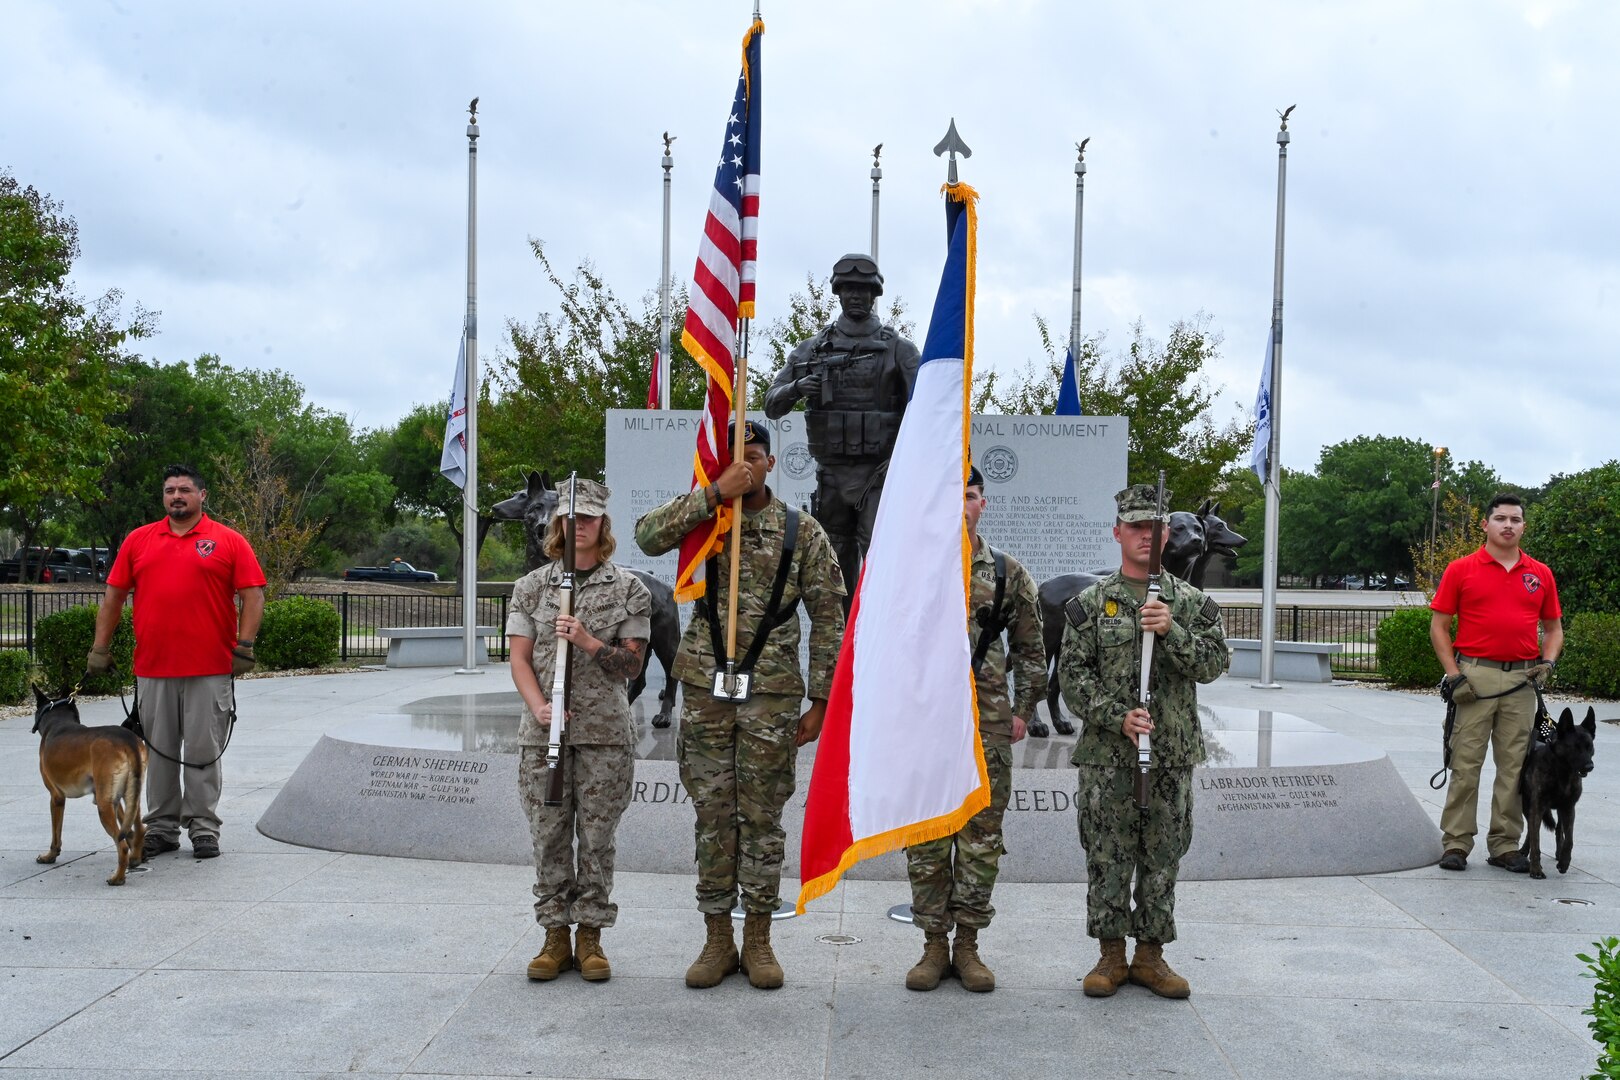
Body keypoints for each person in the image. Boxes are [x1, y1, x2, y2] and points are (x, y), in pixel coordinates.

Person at [634, 420, 845, 990]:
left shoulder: (802, 532)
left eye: (753, 457)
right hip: (705, 689)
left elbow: (829, 617)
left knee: (762, 817)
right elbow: (646, 536)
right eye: (736, 457)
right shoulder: (703, 519)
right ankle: (716, 938)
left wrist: (821, 702)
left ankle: (757, 937)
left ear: (771, 463)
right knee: (713, 815)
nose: (745, 465)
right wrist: (713, 493)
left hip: (771, 694)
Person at [1058, 484, 1227, 999]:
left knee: (1163, 853)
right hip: (1109, 756)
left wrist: (1173, 631)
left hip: (1171, 753)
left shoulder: (1192, 603)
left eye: (1155, 529)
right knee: (1107, 853)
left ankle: (1151, 955)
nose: (1145, 537)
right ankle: (1110, 955)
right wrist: (1117, 717)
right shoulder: (1090, 604)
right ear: (1117, 533)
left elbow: (1215, 664)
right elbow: (1072, 677)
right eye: (1135, 528)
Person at [903, 464, 1045, 993]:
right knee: (928, 835)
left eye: (969, 494)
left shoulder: (1007, 572)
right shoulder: (910, 568)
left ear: (982, 503)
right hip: (925, 722)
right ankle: (933, 946)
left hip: (985, 723)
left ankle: (968, 946)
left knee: (982, 837)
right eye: (951, 494)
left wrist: (1023, 711)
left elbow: (1032, 649)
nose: (961, 503)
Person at [507, 478, 651, 983]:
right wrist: (540, 707)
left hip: (604, 734)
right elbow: (519, 659)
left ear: (602, 525)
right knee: (548, 837)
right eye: (570, 518)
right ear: (556, 525)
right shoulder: (531, 588)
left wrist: (589, 641)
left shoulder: (629, 589)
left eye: (588, 518)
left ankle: (590, 936)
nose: (579, 525)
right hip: (544, 734)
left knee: (596, 838)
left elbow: (632, 669)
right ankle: (553, 935)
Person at [86, 464, 266, 861]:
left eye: (185, 489)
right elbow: (114, 597)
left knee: (202, 752)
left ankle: (204, 829)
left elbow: (253, 595)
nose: (176, 496)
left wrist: (245, 646)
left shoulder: (228, 541)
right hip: (153, 668)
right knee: (160, 753)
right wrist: (100, 648)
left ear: (203, 495)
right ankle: (162, 829)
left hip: (210, 667)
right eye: (170, 490)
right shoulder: (139, 540)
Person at [764, 254, 919, 605]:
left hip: (879, 476)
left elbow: (925, 411)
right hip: (831, 476)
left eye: (863, 290)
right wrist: (799, 388)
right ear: (838, 293)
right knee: (834, 569)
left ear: (874, 294)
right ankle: (842, 653)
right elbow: (773, 403)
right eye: (849, 289)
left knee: (883, 564)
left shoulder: (899, 350)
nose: (856, 297)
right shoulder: (812, 349)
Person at [1430, 493, 1563, 874]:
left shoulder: (1540, 573)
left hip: (1523, 680)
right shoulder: (1462, 568)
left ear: (1523, 526)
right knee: (1466, 764)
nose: (1508, 525)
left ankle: (1504, 845)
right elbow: (1439, 626)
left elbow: (1553, 628)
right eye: (1501, 518)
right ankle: (1456, 843)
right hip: (1474, 675)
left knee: (1515, 767)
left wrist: (1547, 661)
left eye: (1516, 519)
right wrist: (1454, 674)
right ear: (1486, 524)